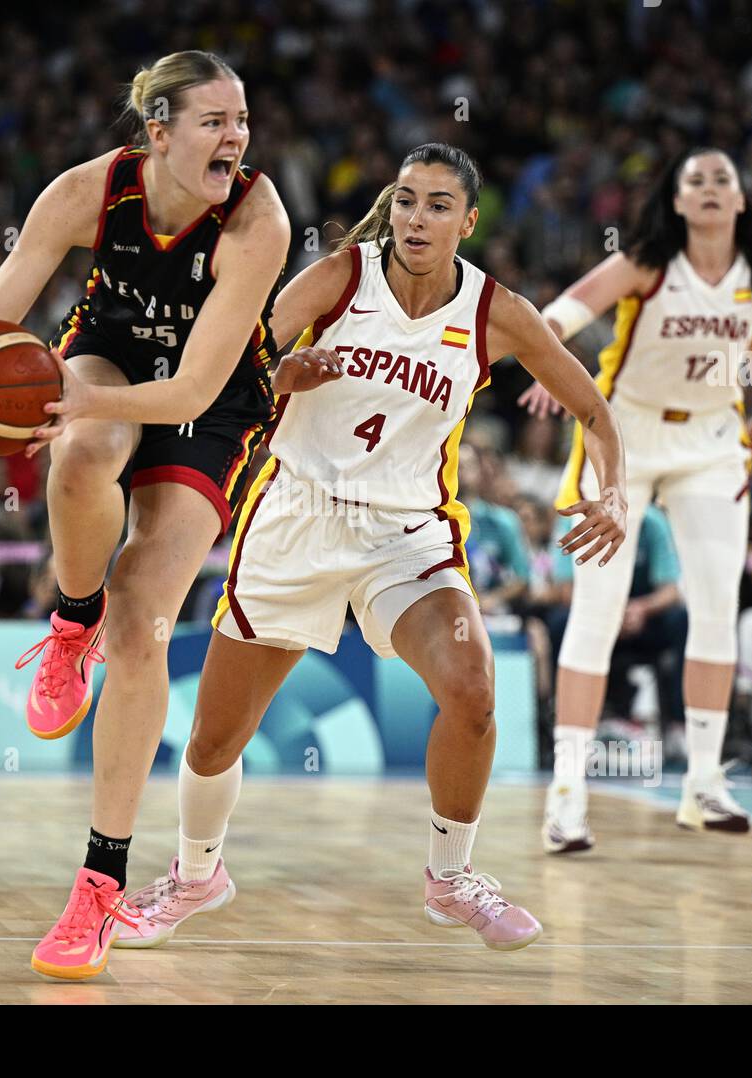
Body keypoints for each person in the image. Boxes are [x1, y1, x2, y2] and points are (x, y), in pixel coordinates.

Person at [99, 143, 627, 951]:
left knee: (473, 688)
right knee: (213, 739)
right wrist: (284, 374)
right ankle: (197, 872)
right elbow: (227, 371)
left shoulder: (493, 311)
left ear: (468, 221)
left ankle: (450, 877)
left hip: (406, 532)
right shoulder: (343, 276)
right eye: (408, 200)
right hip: (296, 517)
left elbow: (591, 408)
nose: (418, 217)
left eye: (439, 205)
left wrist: (612, 489)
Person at [0, 51, 290, 980]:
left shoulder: (258, 218)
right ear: (157, 130)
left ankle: (99, 882)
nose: (235, 136)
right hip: (108, 358)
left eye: (241, 120)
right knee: (78, 453)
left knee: (146, 625)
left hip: (209, 411)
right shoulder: (88, 191)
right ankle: (68, 620)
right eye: (214, 121)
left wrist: (82, 405)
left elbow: (197, 381)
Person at [521, 148, 752, 851]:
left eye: (722, 180)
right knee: (596, 611)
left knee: (715, 612)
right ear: (678, 203)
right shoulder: (650, 261)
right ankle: (566, 793)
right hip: (625, 435)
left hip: (711, 441)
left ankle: (704, 782)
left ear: (740, 200)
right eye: (696, 181)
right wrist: (547, 355)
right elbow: (568, 306)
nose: (709, 189)